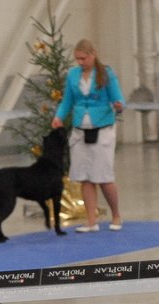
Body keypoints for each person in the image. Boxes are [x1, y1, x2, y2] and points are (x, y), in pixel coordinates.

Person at [52, 38, 124, 232]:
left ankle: (116, 215)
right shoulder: (73, 75)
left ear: (93, 55)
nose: (80, 62)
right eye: (77, 59)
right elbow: (67, 101)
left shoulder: (106, 74)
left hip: (103, 129)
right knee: (85, 177)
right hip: (79, 131)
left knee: (104, 177)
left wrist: (119, 105)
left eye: (83, 58)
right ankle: (91, 220)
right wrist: (59, 117)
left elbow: (118, 98)